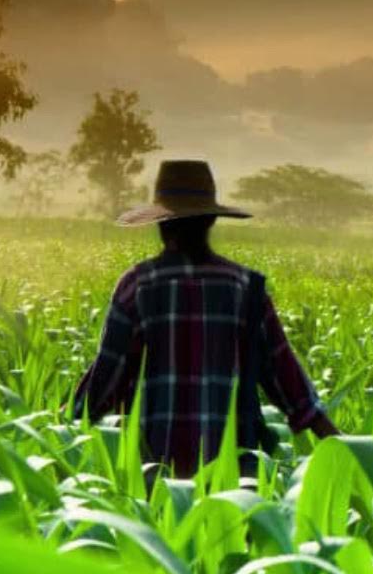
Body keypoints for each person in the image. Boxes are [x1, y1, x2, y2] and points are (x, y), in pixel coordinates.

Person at [71, 159, 341, 478]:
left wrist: (60, 428)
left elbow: (102, 386)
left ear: (161, 224)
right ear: (211, 220)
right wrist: (345, 449)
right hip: (236, 484)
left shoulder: (137, 287)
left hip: (154, 480)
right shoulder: (246, 288)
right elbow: (291, 386)